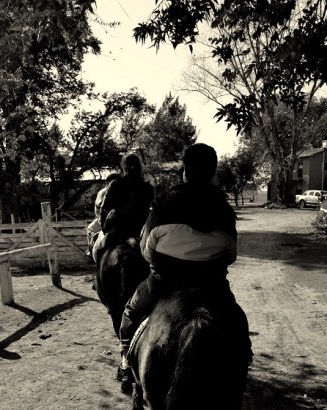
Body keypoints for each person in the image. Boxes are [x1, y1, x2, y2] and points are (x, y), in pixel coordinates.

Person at [117, 142, 251, 386]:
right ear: (213, 171)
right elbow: (231, 253)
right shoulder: (223, 207)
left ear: (184, 170)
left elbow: (146, 250)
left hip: (164, 282)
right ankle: (244, 360)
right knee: (237, 321)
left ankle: (126, 362)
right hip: (212, 285)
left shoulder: (163, 204)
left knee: (130, 312)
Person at [99, 152, 155, 242]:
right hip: (141, 230)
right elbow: (153, 210)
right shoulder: (148, 187)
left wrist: (104, 229)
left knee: (97, 250)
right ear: (140, 168)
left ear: (124, 167)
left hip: (118, 229)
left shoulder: (115, 184)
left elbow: (104, 208)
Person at [86, 172, 121, 259]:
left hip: (107, 219)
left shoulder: (103, 191)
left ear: (107, 182)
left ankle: (90, 250)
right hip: (125, 218)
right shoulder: (125, 190)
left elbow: (99, 205)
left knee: (90, 228)